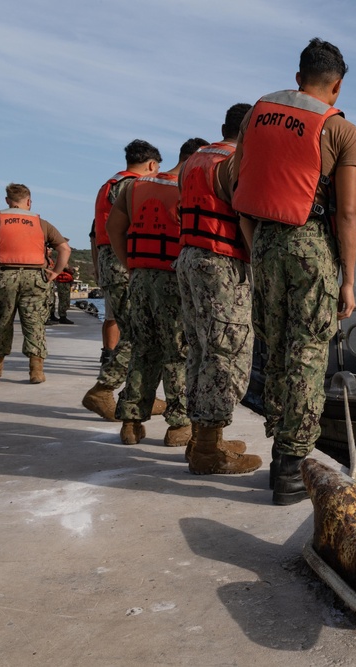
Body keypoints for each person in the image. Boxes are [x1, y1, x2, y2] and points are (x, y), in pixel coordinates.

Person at [232, 37, 356, 505]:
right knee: (307, 352)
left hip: (263, 241)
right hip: (311, 244)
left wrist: (256, 244)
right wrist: (347, 279)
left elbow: (237, 185)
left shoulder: (257, 114)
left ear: (297, 78)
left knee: (275, 347)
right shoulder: (341, 131)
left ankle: (277, 449)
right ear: (337, 87)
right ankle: (291, 468)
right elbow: (347, 214)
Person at [175, 104, 261, 475]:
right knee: (228, 352)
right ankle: (209, 450)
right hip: (221, 261)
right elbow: (244, 214)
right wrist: (259, 265)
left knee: (200, 348)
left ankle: (202, 437)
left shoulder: (195, 160)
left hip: (189, 258)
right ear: (247, 131)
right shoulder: (235, 161)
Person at [106, 138, 207, 447]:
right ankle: (178, 425)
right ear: (194, 160)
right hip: (174, 278)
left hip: (139, 277)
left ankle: (131, 423)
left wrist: (131, 265)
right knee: (178, 352)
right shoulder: (187, 190)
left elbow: (113, 229)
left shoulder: (133, 188)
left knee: (142, 349)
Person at [83, 140, 163, 421]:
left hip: (109, 261)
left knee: (135, 329)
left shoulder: (108, 185)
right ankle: (103, 389)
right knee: (138, 333)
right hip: (124, 262)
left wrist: (98, 268)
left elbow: (96, 233)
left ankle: (139, 396)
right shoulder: (133, 187)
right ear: (152, 165)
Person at [0, 183, 71, 383]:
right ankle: (36, 370)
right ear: (29, 201)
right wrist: (56, 272)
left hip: (5, 275)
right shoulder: (42, 223)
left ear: (7, 201)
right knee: (35, 322)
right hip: (35, 277)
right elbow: (65, 249)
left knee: (2, 320)